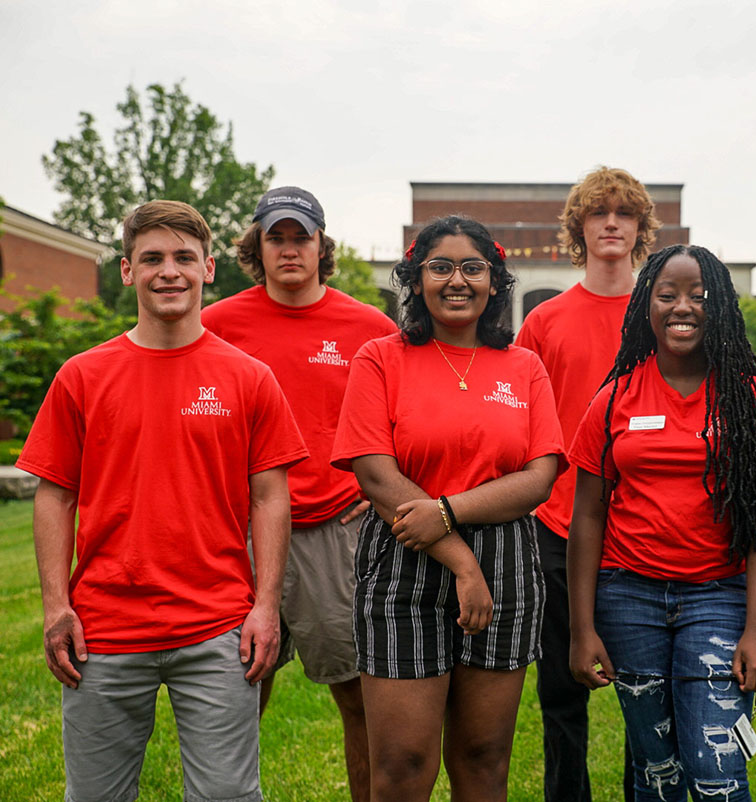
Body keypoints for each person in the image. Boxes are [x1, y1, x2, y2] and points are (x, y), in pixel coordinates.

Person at [17, 200, 307, 802]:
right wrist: (55, 607)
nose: (167, 271)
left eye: (183, 257)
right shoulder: (82, 376)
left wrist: (267, 606)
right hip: (103, 628)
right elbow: (54, 496)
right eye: (151, 258)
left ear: (208, 271)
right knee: (96, 795)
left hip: (219, 625)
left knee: (227, 795)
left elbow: (270, 498)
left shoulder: (249, 377)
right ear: (127, 271)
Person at [330, 215, 565, 802]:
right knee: (403, 763)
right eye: (439, 267)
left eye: (472, 268)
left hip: (507, 563)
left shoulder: (524, 367)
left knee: (484, 757)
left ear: (494, 281)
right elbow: (377, 476)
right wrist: (460, 561)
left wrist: (450, 511)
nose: (456, 281)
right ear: (416, 278)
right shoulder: (379, 359)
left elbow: (540, 476)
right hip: (404, 556)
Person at [568, 244, 756, 802]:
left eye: (699, 295)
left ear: (720, 308)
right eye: (667, 295)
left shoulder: (750, 396)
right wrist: (581, 630)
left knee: (716, 769)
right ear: (647, 305)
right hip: (629, 598)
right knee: (655, 771)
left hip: (717, 594)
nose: (682, 307)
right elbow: (587, 516)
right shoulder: (615, 395)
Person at [202, 185, 397, 802]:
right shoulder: (216, 325)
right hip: (238, 532)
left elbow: (405, 416)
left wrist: (383, 484)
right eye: (275, 237)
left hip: (334, 529)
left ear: (321, 245)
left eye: (300, 237)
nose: (289, 249)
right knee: (235, 694)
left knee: (360, 695)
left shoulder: (367, 327)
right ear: (256, 246)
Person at [515, 165, 660, 802]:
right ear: (579, 229)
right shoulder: (546, 321)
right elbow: (517, 416)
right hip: (559, 524)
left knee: (645, 698)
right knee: (561, 699)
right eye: (598, 214)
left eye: (623, 214)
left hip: (648, 526)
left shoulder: (663, 310)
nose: (610, 224)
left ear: (638, 228)